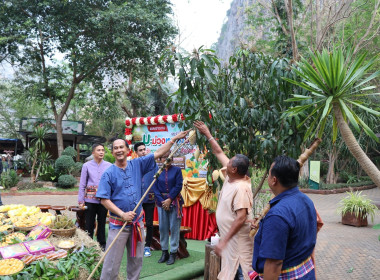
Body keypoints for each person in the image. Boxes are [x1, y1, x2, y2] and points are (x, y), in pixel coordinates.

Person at [96, 131, 188, 280]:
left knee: (136, 260)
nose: (119, 150)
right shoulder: (108, 173)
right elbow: (104, 199)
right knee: (111, 263)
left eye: (121, 147)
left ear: (128, 150)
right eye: (115, 148)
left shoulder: (137, 164)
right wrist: (122, 214)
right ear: (112, 152)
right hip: (118, 224)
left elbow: (158, 153)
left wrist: (174, 139)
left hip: (137, 224)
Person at [194, 120, 254, 280]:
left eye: (230, 162)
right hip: (229, 240)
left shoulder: (241, 187)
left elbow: (241, 217)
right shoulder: (231, 175)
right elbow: (218, 151)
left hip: (237, 242)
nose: (226, 162)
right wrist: (207, 134)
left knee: (241, 272)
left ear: (234, 169)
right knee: (231, 272)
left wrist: (224, 241)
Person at [251, 156, 317, 280]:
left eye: (269, 174)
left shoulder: (277, 216)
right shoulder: (306, 200)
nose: (268, 177)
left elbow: (274, 263)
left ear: (274, 180)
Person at [78, 143, 112, 250]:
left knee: (102, 222)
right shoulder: (86, 166)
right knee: (89, 223)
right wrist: (81, 200)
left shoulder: (109, 166)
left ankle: (102, 245)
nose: (101, 152)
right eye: (99, 150)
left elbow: (112, 183)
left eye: (102, 150)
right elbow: (82, 184)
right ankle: (88, 245)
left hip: (104, 200)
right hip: (89, 200)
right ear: (93, 153)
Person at [154, 150, 183, 265]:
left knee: (174, 228)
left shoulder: (177, 170)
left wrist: (170, 199)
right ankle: (164, 252)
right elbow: (155, 188)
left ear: (173, 159)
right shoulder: (157, 171)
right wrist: (162, 202)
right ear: (160, 159)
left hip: (175, 202)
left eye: (169, 157)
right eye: (164, 157)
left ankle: (173, 253)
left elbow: (178, 185)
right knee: (163, 228)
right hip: (161, 204)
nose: (167, 159)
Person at [134, 142, 158, 257]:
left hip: (149, 198)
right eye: (140, 150)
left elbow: (157, 179)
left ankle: (147, 246)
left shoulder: (153, 164)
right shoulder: (133, 165)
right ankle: (136, 245)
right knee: (135, 222)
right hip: (136, 198)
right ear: (136, 153)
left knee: (149, 223)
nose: (143, 152)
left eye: (144, 149)